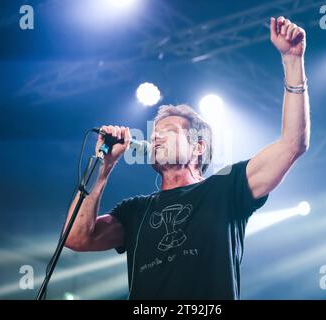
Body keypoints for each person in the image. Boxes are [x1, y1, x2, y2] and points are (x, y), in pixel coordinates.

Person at [64, 16, 310, 299]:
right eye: (154, 133)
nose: (156, 137)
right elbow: (76, 238)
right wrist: (105, 167)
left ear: (198, 147)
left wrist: (292, 61)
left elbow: (292, 144)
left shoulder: (225, 188)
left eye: (167, 131)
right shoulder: (136, 211)